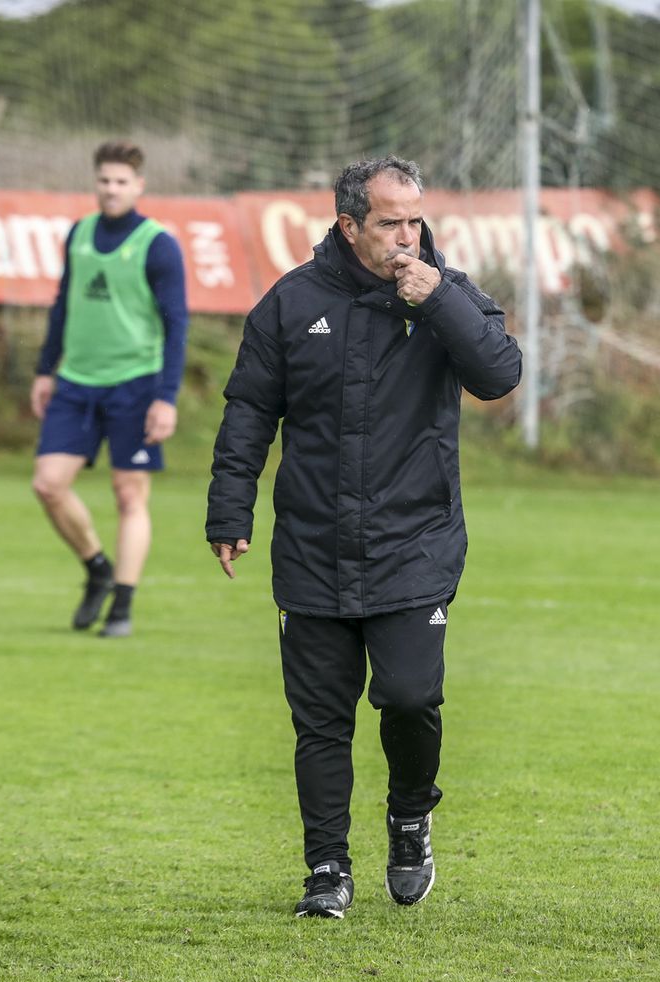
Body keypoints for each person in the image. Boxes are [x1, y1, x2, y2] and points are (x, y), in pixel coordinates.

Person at [206, 156, 522, 919]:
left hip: (415, 544)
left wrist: (437, 299)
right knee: (320, 721)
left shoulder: (447, 294)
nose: (407, 236)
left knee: (410, 696)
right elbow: (249, 411)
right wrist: (229, 510)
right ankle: (326, 869)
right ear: (349, 225)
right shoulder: (291, 303)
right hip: (312, 547)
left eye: (415, 220)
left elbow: (499, 373)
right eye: (390, 222)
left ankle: (410, 817)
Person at [31, 140, 188, 638]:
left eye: (121, 181)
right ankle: (97, 567)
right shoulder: (79, 234)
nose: (112, 189)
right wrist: (45, 368)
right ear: (95, 182)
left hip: (135, 384)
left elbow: (176, 324)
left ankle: (122, 604)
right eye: (104, 180)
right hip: (76, 381)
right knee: (48, 484)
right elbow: (62, 304)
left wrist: (166, 397)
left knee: (128, 495)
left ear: (138, 186)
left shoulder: (157, 244)